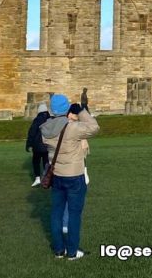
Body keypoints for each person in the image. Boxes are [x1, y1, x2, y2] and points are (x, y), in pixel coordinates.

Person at [40, 93, 100, 260]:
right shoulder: (72, 128)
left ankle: (59, 250)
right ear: (66, 109)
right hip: (74, 175)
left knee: (56, 212)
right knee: (74, 214)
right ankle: (72, 251)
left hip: (57, 175)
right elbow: (94, 127)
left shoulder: (45, 129)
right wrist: (81, 111)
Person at [26, 103, 50, 187]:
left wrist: (28, 144)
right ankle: (46, 179)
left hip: (37, 145)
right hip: (47, 145)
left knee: (36, 161)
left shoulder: (37, 120)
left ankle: (37, 178)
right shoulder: (50, 120)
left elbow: (32, 132)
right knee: (46, 162)